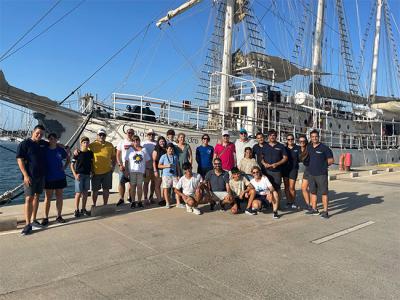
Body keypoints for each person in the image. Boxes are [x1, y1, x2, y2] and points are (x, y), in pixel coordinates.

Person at [16, 124, 48, 235]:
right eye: (37, 133)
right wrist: (25, 175)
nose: (39, 135)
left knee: (37, 196)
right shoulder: (24, 144)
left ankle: (34, 220)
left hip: (41, 175)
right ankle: (27, 224)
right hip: (30, 176)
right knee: (29, 198)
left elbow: (54, 144)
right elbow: (20, 160)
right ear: (33, 132)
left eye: (41, 134)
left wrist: (64, 147)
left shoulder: (43, 143)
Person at [42, 133, 70, 225]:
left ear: (56, 139)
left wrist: (65, 167)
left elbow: (68, 158)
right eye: (50, 138)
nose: (52, 140)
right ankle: (45, 217)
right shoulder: (45, 150)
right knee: (48, 198)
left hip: (60, 177)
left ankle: (59, 216)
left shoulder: (60, 150)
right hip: (49, 177)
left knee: (59, 197)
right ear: (48, 139)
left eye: (53, 138)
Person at [306, 129, 334, 219]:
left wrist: (322, 165)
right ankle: (314, 209)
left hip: (321, 174)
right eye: (312, 137)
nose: (314, 138)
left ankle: (326, 212)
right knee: (313, 192)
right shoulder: (309, 147)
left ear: (319, 137)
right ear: (310, 137)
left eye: (316, 136)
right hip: (311, 174)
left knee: (324, 193)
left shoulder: (324, 148)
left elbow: (331, 160)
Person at [260, 129, 288, 210]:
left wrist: (277, 164)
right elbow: (261, 158)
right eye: (270, 135)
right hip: (266, 171)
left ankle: (277, 204)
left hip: (277, 171)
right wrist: (264, 164)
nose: (272, 137)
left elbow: (285, 158)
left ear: (276, 136)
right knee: (266, 188)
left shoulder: (281, 146)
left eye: (274, 135)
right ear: (268, 137)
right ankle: (268, 204)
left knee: (277, 188)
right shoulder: (264, 146)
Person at [90, 128, 116, 206]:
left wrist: (113, 166)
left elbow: (113, 157)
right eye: (100, 135)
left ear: (105, 136)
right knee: (95, 190)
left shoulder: (110, 145)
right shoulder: (92, 145)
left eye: (103, 135)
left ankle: (105, 204)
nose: (102, 136)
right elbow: (85, 154)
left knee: (106, 189)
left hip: (107, 172)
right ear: (97, 136)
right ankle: (94, 204)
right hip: (95, 172)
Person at [125, 135, 150, 208]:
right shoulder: (130, 149)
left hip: (141, 171)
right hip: (132, 171)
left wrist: (147, 169)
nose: (136, 142)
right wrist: (126, 171)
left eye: (137, 140)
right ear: (132, 142)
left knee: (139, 187)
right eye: (134, 141)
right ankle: (133, 201)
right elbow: (126, 161)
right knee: (132, 187)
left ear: (139, 141)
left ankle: (139, 201)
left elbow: (147, 160)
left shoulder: (144, 150)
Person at [71, 136, 93, 217]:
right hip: (79, 175)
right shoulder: (77, 153)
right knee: (78, 193)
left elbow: (91, 163)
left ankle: (83, 209)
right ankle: (76, 209)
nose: (86, 144)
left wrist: (91, 171)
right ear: (81, 143)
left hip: (87, 175)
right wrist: (75, 174)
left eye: (87, 142)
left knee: (85, 193)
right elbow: (72, 164)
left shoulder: (90, 153)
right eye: (84, 142)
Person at [158, 143, 181, 208]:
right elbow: (159, 165)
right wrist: (167, 166)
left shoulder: (175, 156)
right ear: (166, 149)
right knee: (166, 189)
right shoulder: (163, 156)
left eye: (172, 149)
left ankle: (178, 203)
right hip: (166, 175)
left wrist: (178, 175)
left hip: (174, 175)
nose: (171, 150)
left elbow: (178, 167)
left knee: (177, 189)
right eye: (170, 149)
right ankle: (167, 203)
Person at [116, 129, 134, 206]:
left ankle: (130, 197)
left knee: (131, 183)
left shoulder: (135, 142)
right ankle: (121, 198)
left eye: (131, 133)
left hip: (133, 166)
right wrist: (120, 165)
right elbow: (118, 155)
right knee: (121, 182)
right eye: (128, 133)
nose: (130, 134)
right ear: (126, 133)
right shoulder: (122, 142)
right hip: (123, 165)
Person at [282, 133, 301, 209]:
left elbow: (302, 156)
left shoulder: (297, 148)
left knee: (292, 187)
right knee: (286, 187)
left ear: (294, 140)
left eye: (291, 139)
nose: (290, 140)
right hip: (285, 169)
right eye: (288, 139)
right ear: (287, 140)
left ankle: (293, 202)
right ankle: (288, 202)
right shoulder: (284, 148)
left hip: (293, 169)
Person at [142, 129, 157, 204]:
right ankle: (145, 198)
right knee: (146, 183)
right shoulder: (143, 143)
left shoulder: (157, 144)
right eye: (150, 134)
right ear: (147, 135)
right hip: (146, 167)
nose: (151, 136)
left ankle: (151, 197)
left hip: (155, 167)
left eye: (153, 134)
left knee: (153, 182)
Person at [152, 136, 167, 205]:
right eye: (160, 141)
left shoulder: (166, 149)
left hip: (165, 169)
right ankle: (159, 199)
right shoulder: (156, 149)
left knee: (165, 185)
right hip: (158, 169)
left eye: (163, 141)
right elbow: (154, 161)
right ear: (158, 142)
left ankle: (164, 198)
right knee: (157, 185)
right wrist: (155, 170)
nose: (162, 143)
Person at [298, 135, 311, 211]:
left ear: (306, 141)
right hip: (307, 169)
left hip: (313, 169)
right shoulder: (299, 149)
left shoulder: (309, 148)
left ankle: (313, 206)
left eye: (303, 141)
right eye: (300, 141)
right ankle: (308, 205)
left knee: (312, 189)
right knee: (304, 188)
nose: (302, 142)